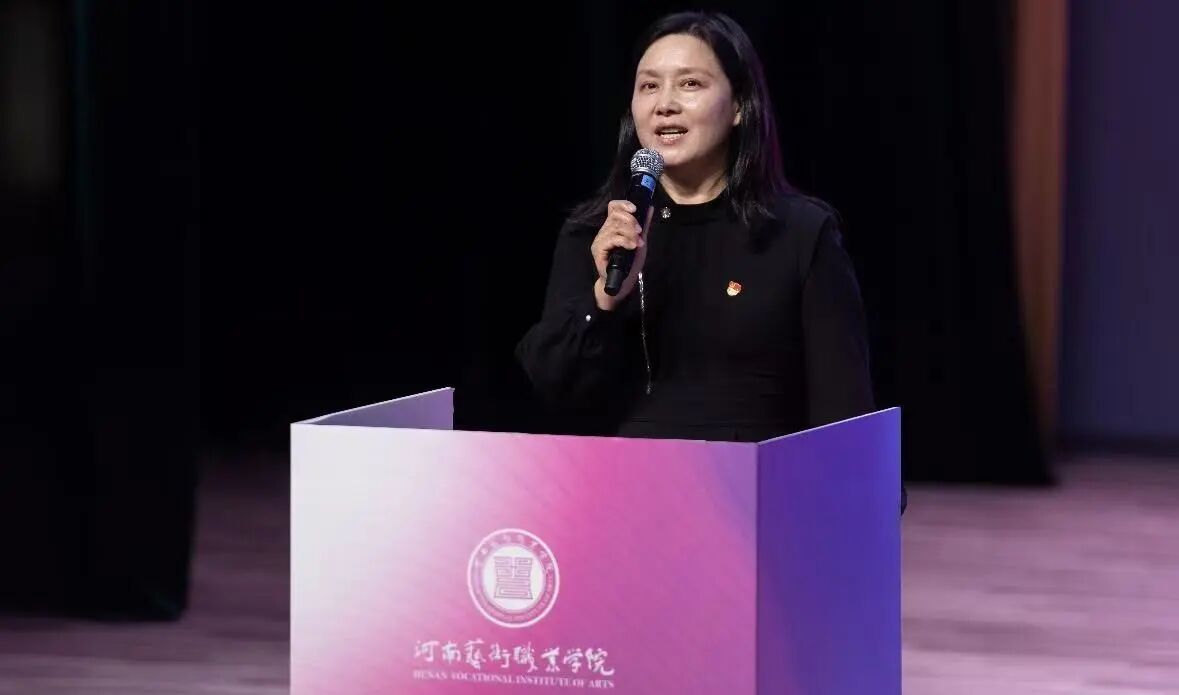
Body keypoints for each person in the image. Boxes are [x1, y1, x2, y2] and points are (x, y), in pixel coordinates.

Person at [514, 11, 903, 512]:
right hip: (620, 507)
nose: (665, 104)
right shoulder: (598, 233)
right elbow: (554, 390)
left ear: (739, 105)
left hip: (758, 508)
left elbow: (842, 413)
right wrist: (604, 300)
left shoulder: (799, 234)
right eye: (648, 86)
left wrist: (857, 508)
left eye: (690, 84)